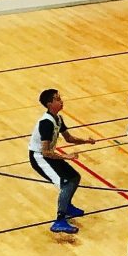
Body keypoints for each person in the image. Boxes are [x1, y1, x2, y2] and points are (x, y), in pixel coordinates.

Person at [30, 88, 88, 234]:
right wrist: (66, 156)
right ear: (49, 104)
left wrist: (86, 141)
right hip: (39, 158)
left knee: (74, 177)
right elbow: (45, 152)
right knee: (65, 183)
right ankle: (59, 221)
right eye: (57, 99)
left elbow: (69, 138)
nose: (61, 101)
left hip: (48, 156)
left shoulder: (58, 119)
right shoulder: (46, 123)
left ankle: (67, 206)